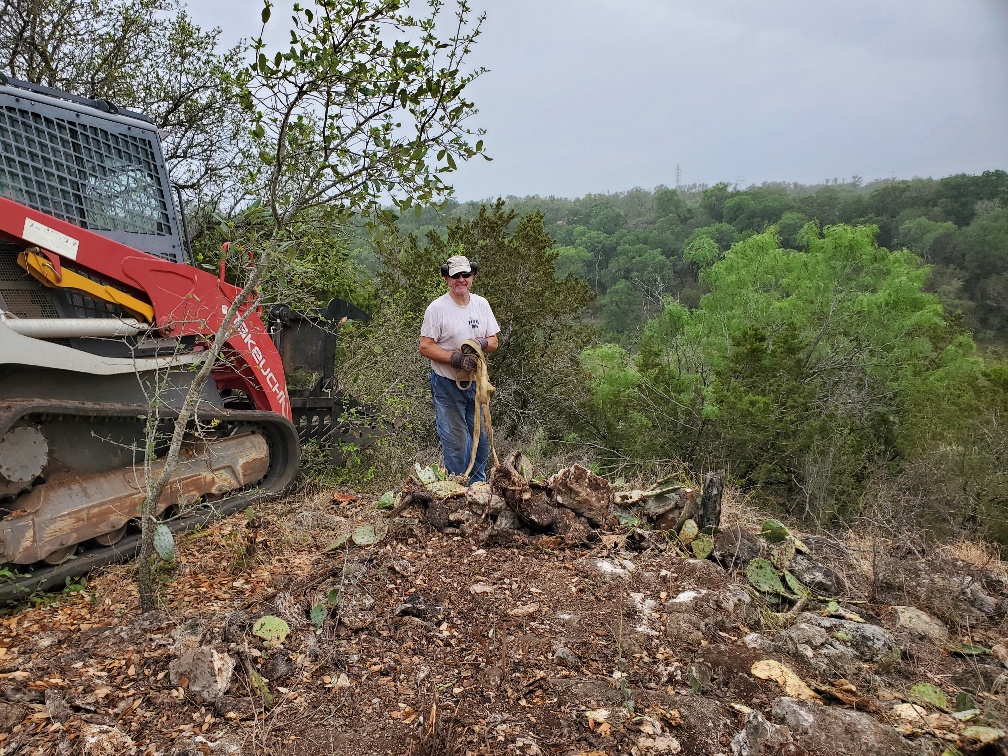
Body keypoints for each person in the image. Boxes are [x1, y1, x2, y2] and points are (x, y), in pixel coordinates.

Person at [419, 254, 500, 482]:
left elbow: (493, 341)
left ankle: (477, 487)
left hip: (477, 385)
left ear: (472, 276)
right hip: (447, 384)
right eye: (456, 276)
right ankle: (457, 489)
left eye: (466, 275)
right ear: (447, 278)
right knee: (456, 442)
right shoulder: (437, 308)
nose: (461, 280)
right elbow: (425, 347)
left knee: (481, 441)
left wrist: (480, 344)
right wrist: (455, 359)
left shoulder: (481, 304)